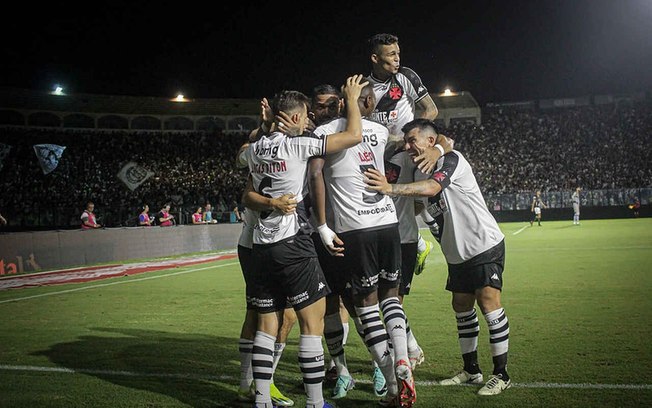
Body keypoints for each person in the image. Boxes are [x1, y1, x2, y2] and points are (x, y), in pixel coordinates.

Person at [240, 75, 368, 408]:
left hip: (259, 247)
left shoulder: (254, 149)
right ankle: (314, 401)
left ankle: (261, 401)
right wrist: (351, 98)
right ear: (296, 118)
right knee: (311, 324)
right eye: (306, 115)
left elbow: (243, 164)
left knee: (267, 325)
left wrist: (266, 128)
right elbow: (354, 135)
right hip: (292, 244)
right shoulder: (300, 144)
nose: (310, 119)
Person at [365, 119, 512, 396]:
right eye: (406, 141)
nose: (408, 146)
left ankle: (501, 374)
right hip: (458, 253)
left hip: (483, 244)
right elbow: (426, 205)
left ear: (430, 141)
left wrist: (390, 188)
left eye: (412, 140)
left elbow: (433, 188)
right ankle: (471, 370)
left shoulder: (452, 159)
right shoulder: (422, 168)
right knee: (461, 305)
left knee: (489, 303)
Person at [312, 82, 417, 407]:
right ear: (367, 103)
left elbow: (317, 173)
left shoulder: (326, 133)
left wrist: (322, 225)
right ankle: (402, 357)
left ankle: (388, 375)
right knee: (391, 296)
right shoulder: (380, 132)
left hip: (354, 229)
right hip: (387, 222)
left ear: (344, 103)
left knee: (365, 304)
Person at [366, 32, 440, 281]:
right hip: (379, 154)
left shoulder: (406, 76)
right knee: (390, 203)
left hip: (407, 153)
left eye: (398, 53)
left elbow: (431, 109)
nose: (397, 59)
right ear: (375, 58)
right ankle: (419, 244)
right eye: (391, 55)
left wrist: (411, 136)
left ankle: (434, 229)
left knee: (417, 194)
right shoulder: (365, 88)